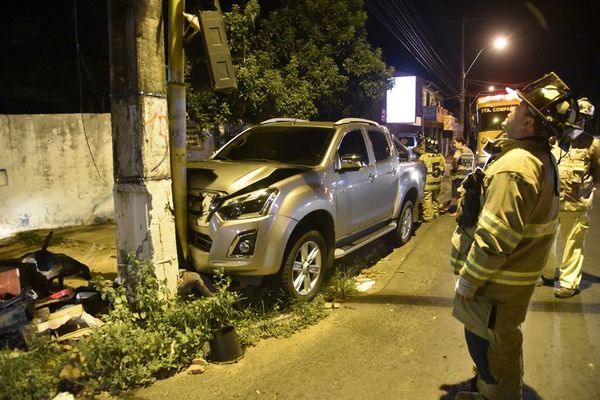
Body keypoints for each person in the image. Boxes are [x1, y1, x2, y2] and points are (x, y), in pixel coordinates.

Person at [450, 72, 579, 400]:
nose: (511, 110)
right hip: (511, 285)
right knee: (502, 344)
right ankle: (492, 388)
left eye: (519, 108)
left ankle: (495, 393)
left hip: (496, 288)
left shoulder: (516, 167)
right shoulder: (538, 159)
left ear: (529, 125)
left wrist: (469, 280)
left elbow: (495, 238)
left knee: (491, 349)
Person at [543, 97, 600, 298]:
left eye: (585, 118)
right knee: (545, 241)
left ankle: (569, 282)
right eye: (578, 117)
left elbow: (598, 173)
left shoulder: (593, 145)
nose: (580, 122)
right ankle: (547, 274)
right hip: (551, 203)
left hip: (577, 205)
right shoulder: (554, 141)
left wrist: (590, 189)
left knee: (573, 243)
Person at [419, 136, 446, 222]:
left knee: (427, 199)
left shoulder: (424, 157)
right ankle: (435, 213)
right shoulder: (440, 156)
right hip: (437, 181)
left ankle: (428, 216)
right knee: (435, 198)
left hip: (428, 182)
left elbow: (420, 170)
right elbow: (444, 168)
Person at [448, 136, 475, 216]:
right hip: (468, 176)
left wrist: (454, 159)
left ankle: (459, 212)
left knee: (459, 195)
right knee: (466, 194)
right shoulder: (470, 151)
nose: (454, 145)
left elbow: (455, 165)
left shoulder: (459, 151)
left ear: (460, 143)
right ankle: (467, 211)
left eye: (455, 143)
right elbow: (473, 165)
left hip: (459, 177)